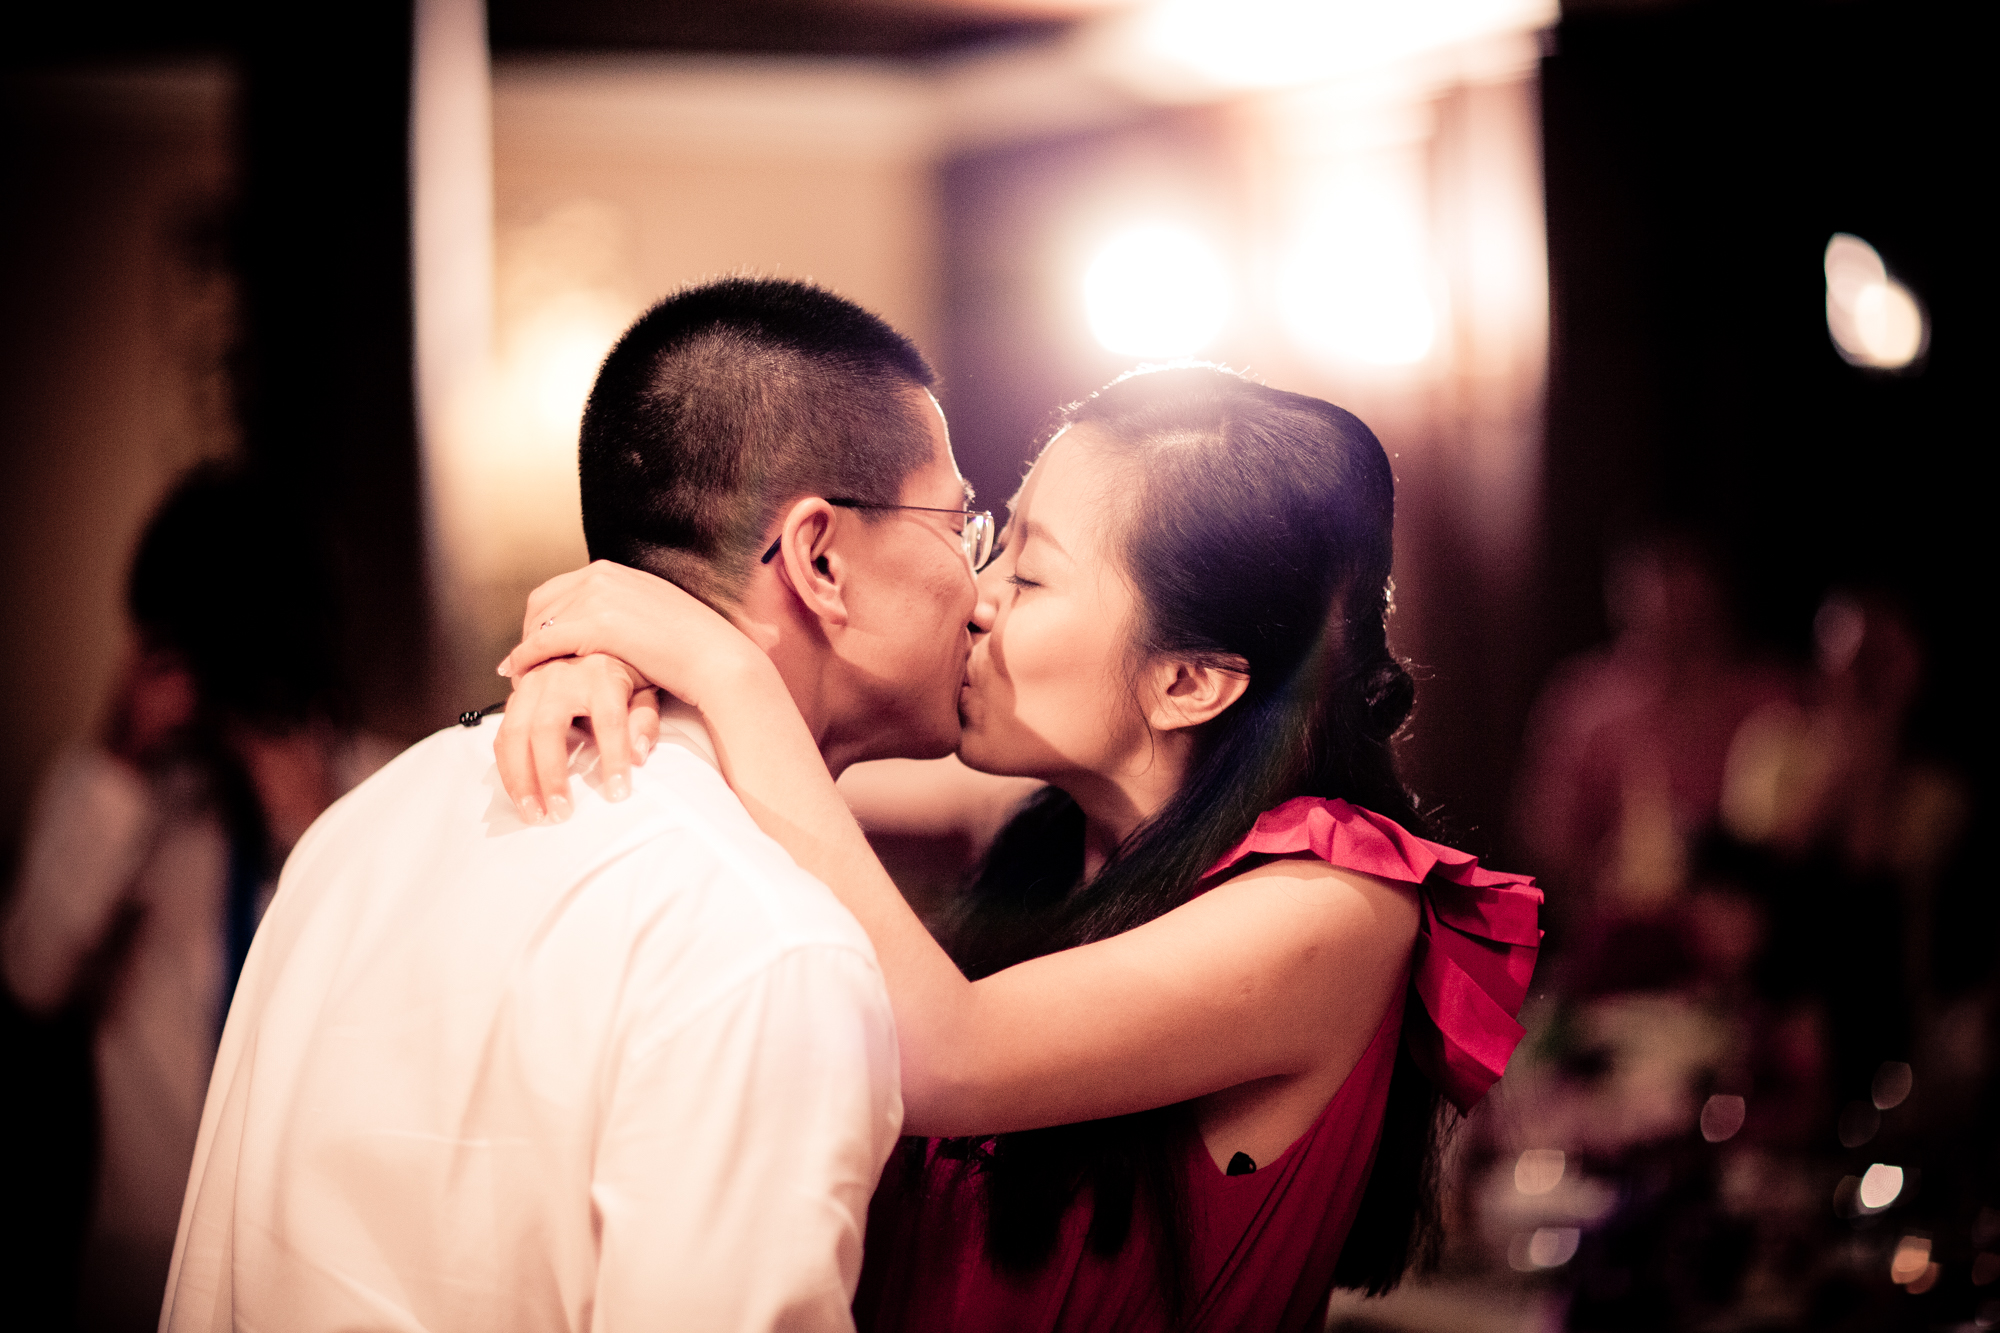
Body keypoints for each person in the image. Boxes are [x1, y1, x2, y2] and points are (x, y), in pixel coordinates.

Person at [495, 365, 1544, 1331]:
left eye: (1029, 576)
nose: (975, 597)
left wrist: (725, 668)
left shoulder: (1336, 906)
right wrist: (623, 680)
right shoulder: (1058, 843)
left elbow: (943, 1059)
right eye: (992, 545)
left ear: (1186, 681)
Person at [161, 279, 990, 1331]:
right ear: (819, 557)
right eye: (959, 524)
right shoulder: (769, 944)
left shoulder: (363, 824)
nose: (981, 591)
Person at [2, 463, 393, 1332]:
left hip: (323, 1259)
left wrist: (309, 819)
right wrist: (119, 760)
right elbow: (30, 973)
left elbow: (402, 1011)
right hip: (140, 1256)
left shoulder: (383, 790)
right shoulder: (116, 796)